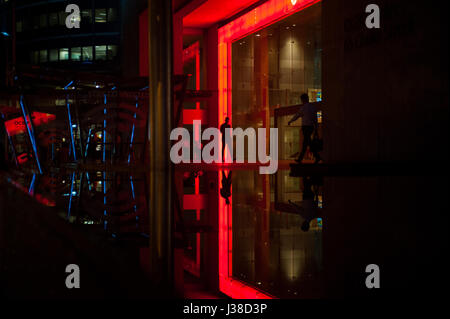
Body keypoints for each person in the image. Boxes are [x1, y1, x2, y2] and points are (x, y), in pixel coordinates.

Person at [288, 93, 322, 164]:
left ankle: (313, 157)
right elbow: (315, 119)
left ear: (303, 100)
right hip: (311, 127)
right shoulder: (312, 107)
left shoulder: (303, 108)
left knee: (307, 142)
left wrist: (291, 121)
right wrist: (316, 128)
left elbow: (297, 116)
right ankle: (303, 158)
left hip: (305, 127)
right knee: (307, 142)